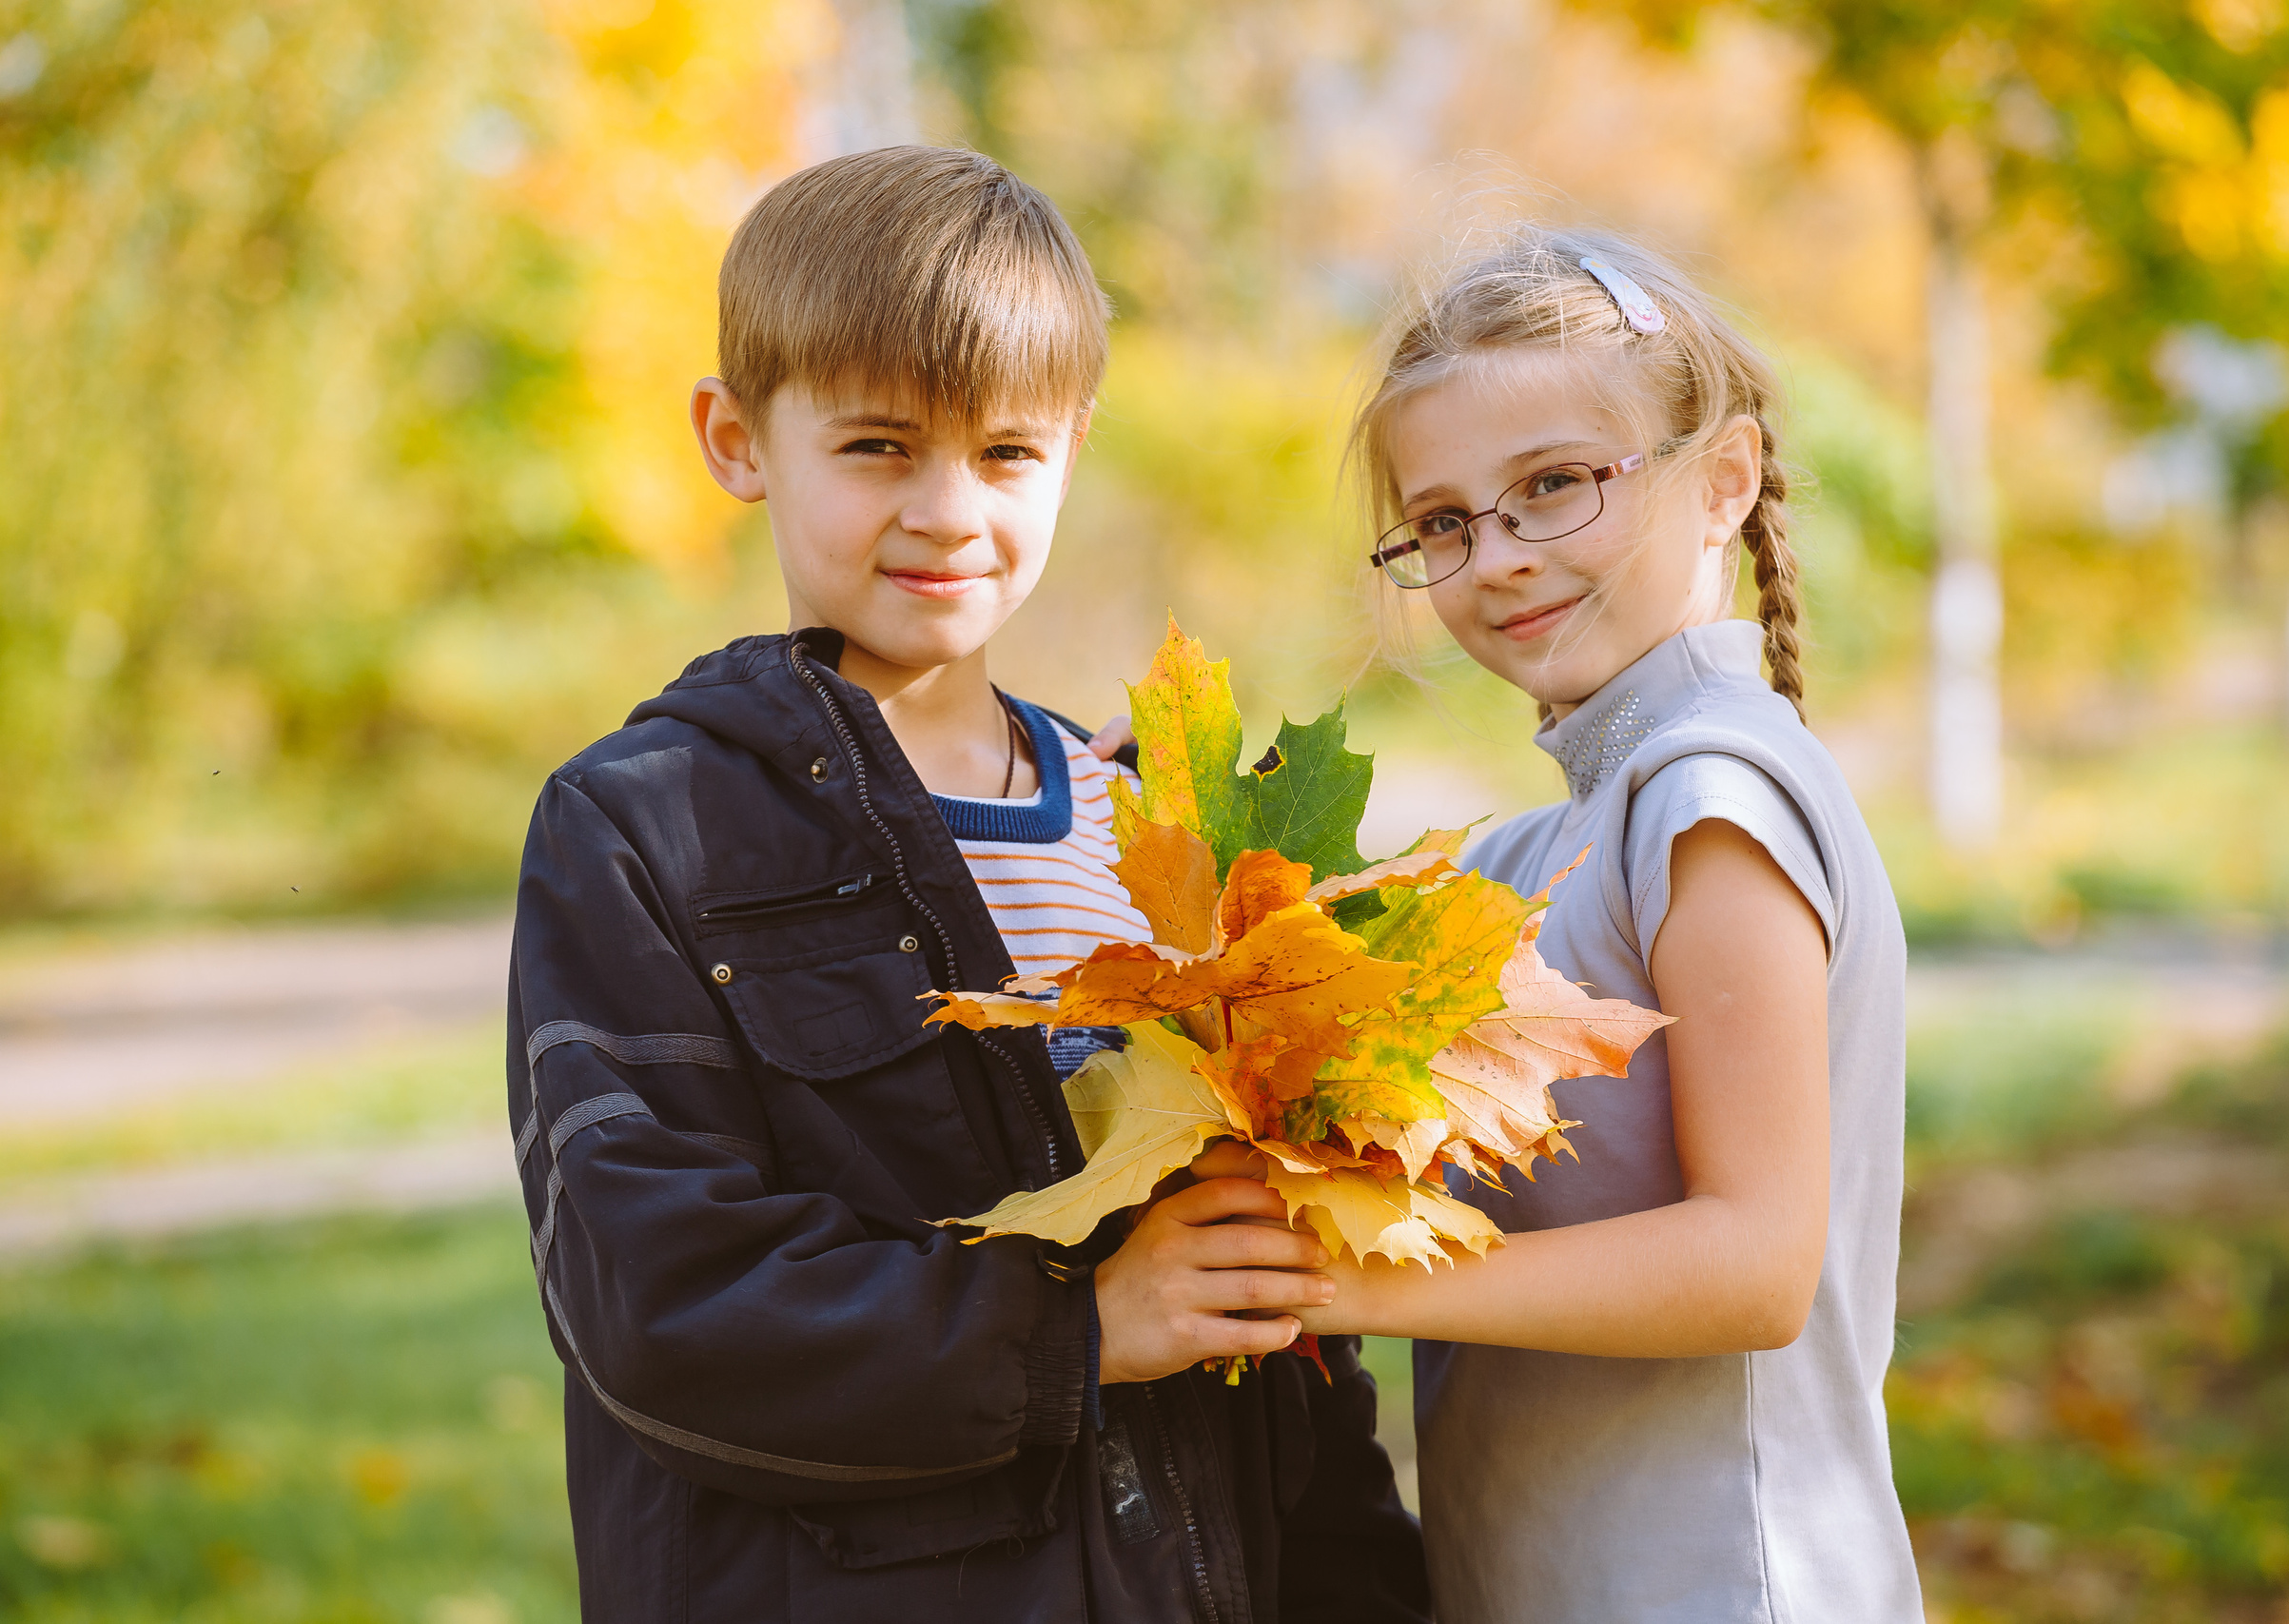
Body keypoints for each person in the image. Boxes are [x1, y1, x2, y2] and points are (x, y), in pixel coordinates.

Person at [506, 146, 1429, 1624]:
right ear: (738, 440)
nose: (948, 511)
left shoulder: (1166, 827)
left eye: (1005, 453)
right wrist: (1077, 1329)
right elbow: (659, 1302)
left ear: (1073, 448)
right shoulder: (643, 829)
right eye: (879, 447)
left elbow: (1289, 1323)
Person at [1247, 224, 1925, 1621]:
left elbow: (1756, 1267)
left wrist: (1353, 1282)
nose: (1497, 556)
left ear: (1723, 481)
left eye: (1553, 486)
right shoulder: (1539, 847)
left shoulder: (1711, 799)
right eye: (1444, 521)